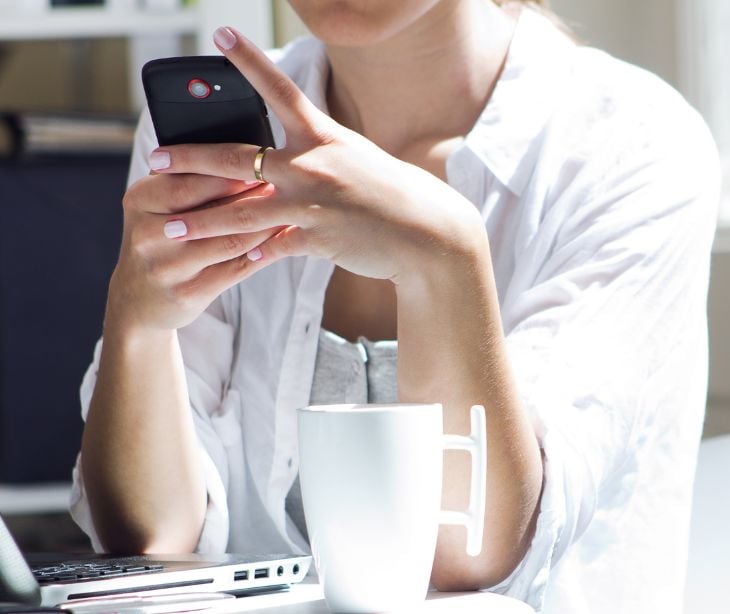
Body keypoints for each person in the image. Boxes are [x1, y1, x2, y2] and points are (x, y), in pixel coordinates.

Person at [69, 1, 720, 612]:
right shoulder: (215, 137)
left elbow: (476, 560)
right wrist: (137, 326)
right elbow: (151, 540)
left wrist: (443, 257)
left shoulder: (632, 146)